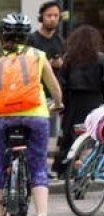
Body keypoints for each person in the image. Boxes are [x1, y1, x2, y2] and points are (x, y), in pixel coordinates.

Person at [0, 13, 63, 216]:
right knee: (38, 165)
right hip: (34, 117)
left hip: (2, 119)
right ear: (27, 36)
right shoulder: (38, 56)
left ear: (3, 35)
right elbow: (55, 89)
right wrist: (57, 104)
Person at [55, 25, 104, 176]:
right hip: (95, 102)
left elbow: (62, 83)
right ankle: (92, 168)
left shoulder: (69, 59)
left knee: (70, 137)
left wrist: (62, 106)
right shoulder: (101, 58)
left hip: (74, 103)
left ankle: (65, 169)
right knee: (96, 137)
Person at [27, 1, 65, 175]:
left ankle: (41, 167)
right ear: (41, 17)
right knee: (34, 133)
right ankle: (32, 166)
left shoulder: (59, 40)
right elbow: (26, 65)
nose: (52, 19)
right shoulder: (32, 39)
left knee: (48, 135)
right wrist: (48, 64)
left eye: (56, 16)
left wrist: (60, 63)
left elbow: (65, 64)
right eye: (49, 15)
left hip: (53, 93)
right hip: (34, 93)